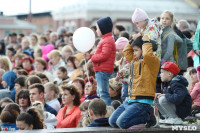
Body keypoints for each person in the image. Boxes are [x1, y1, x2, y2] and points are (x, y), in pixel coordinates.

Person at [109, 35, 160, 129]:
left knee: (122, 123)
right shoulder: (134, 61)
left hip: (142, 101)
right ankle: (146, 114)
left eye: (136, 50)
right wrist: (131, 40)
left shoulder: (153, 62)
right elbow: (126, 52)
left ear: (143, 49)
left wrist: (146, 42)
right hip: (130, 100)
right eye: (133, 50)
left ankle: (148, 116)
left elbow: (147, 55)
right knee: (112, 122)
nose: (134, 53)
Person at [84, 16, 116, 105]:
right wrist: (90, 55)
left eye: (98, 28)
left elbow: (104, 56)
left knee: (103, 93)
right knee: (100, 92)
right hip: (101, 70)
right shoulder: (106, 39)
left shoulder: (108, 40)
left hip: (103, 70)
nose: (97, 30)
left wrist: (91, 57)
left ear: (103, 28)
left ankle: (106, 110)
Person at [115, 37, 130, 101]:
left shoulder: (128, 58)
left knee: (125, 96)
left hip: (127, 82)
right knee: (124, 96)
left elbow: (126, 69)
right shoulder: (124, 58)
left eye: (118, 50)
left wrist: (118, 76)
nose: (118, 53)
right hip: (124, 82)